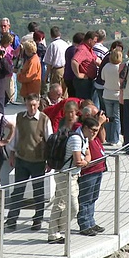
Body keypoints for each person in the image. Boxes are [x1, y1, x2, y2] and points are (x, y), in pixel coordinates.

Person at [6, 93, 52, 231]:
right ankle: (11, 219)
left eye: (34, 105)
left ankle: (37, 220)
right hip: (22, 159)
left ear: (38, 104)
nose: (31, 108)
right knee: (17, 191)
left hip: (38, 161)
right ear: (25, 104)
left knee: (38, 192)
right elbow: (16, 137)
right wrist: (12, 154)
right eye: (29, 105)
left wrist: (49, 161)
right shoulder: (20, 117)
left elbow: (50, 141)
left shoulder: (44, 119)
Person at [47, 103, 91, 244]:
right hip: (65, 174)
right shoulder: (76, 135)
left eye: (73, 112)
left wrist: (85, 160)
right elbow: (79, 161)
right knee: (73, 207)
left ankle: (53, 234)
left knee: (59, 204)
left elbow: (87, 154)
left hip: (68, 174)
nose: (70, 114)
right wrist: (85, 162)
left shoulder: (82, 135)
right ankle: (61, 229)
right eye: (68, 112)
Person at [76, 108, 107, 236]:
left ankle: (91, 222)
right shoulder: (79, 132)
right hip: (89, 170)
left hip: (98, 168)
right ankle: (84, 224)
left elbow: (103, 139)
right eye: (93, 130)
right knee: (85, 198)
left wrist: (101, 125)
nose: (95, 132)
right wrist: (98, 123)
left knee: (93, 197)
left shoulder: (92, 131)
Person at [101, 48, 123, 146]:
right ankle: (115, 139)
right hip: (117, 95)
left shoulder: (106, 66)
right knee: (116, 118)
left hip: (107, 94)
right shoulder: (121, 67)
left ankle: (108, 138)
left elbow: (102, 78)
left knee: (109, 117)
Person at [71, 31, 100, 99]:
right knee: (84, 102)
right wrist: (78, 74)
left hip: (89, 80)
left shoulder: (89, 49)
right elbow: (74, 61)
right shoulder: (82, 49)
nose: (95, 44)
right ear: (90, 40)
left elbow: (96, 59)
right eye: (95, 42)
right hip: (83, 82)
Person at [43, 26, 70, 99]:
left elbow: (49, 63)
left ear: (51, 35)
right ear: (60, 34)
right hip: (65, 69)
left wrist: (46, 76)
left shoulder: (52, 45)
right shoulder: (65, 44)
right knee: (64, 92)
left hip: (57, 71)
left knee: (56, 92)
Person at [91, 29, 108, 109]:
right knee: (99, 102)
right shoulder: (104, 51)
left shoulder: (90, 48)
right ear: (104, 38)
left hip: (88, 75)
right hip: (100, 79)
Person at [63, 32, 83, 98]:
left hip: (67, 76)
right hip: (73, 77)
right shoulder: (76, 50)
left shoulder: (69, 49)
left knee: (71, 95)